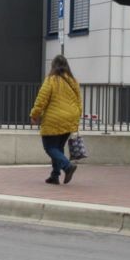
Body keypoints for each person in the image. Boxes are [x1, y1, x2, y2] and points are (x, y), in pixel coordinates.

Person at [29, 55, 82, 185]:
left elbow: (42, 99)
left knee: (50, 147)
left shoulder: (51, 80)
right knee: (58, 147)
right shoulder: (73, 81)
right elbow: (79, 101)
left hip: (54, 118)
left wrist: (34, 114)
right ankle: (55, 175)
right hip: (70, 118)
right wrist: (76, 118)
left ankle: (67, 167)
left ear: (53, 66)